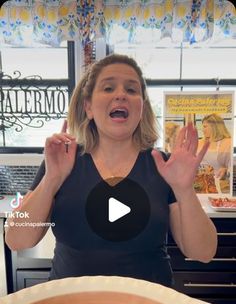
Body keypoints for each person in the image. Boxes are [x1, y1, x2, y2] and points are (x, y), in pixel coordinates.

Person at [5, 54, 217, 287]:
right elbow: (17, 239)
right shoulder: (61, 161)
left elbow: (203, 252)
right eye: (108, 88)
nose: (120, 94)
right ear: (88, 107)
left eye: (132, 90)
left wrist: (184, 189)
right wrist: (51, 180)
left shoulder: (163, 166)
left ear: (141, 107)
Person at [198, 113, 232, 182]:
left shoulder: (228, 143)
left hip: (219, 183)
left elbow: (231, 167)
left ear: (215, 127)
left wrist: (226, 170)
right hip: (200, 181)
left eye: (205, 126)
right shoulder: (200, 142)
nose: (202, 130)